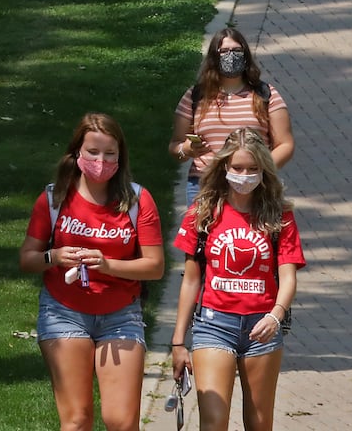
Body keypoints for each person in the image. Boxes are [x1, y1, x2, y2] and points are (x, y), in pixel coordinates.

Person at [18, 112, 165, 431]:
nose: (101, 161)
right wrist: (54, 256)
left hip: (121, 314)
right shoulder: (54, 198)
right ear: (77, 153)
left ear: (120, 156)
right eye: (93, 152)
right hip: (63, 313)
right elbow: (27, 258)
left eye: (109, 153)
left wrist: (107, 264)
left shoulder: (138, 200)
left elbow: (154, 267)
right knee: (76, 420)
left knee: (122, 422)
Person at [170, 128, 306, 430]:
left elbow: (288, 275)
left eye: (253, 169)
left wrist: (276, 315)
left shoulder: (278, 214)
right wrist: (178, 341)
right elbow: (191, 280)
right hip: (213, 324)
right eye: (238, 168)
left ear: (264, 170)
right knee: (214, 421)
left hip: (262, 328)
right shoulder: (203, 212)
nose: (244, 175)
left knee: (259, 423)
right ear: (224, 168)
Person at [168, 28, 295, 205]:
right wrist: (186, 150)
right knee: (203, 233)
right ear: (214, 56)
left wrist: (261, 170)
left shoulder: (266, 94)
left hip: (254, 185)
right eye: (225, 51)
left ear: (246, 55)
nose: (231, 56)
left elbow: (285, 143)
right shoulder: (195, 96)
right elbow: (175, 146)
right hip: (205, 186)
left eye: (237, 51)